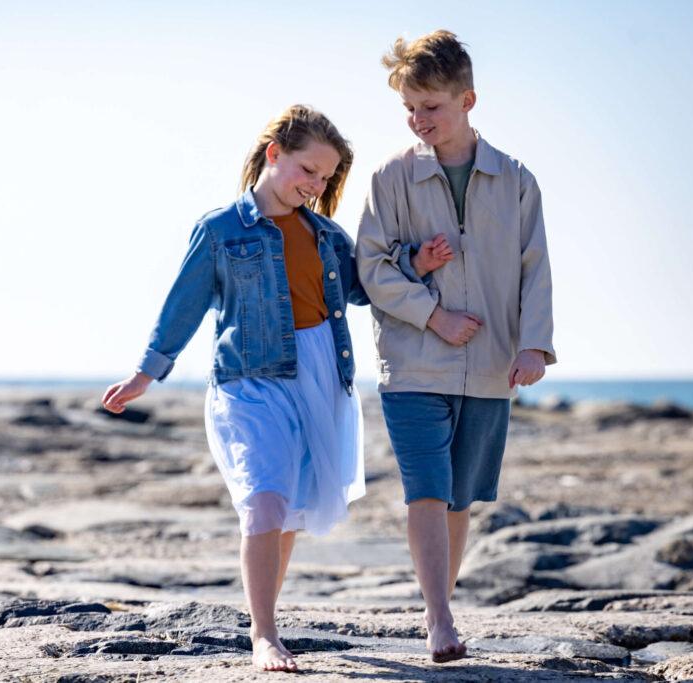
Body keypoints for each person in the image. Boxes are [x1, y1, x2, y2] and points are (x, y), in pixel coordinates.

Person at [103, 105, 451, 672]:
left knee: (286, 510)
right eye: (307, 170)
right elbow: (183, 307)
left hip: (320, 376)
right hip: (250, 380)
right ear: (274, 154)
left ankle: (269, 622)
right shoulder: (220, 230)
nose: (314, 186)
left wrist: (415, 262)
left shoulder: (324, 234)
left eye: (325, 178)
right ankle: (262, 635)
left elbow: (365, 289)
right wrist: (146, 373)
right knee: (264, 498)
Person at [356, 31, 557, 663]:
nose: (419, 121)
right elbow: (371, 267)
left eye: (431, 107)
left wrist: (534, 347)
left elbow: (536, 269)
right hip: (414, 362)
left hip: (494, 366)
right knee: (427, 488)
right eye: (409, 109)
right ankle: (439, 618)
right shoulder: (391, 175)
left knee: (461, 497)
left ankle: (438, 607)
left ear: (467, 98)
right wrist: (433, 315)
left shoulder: (516, 179)